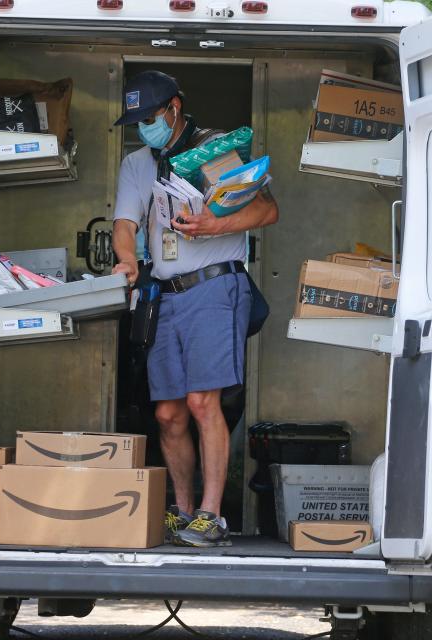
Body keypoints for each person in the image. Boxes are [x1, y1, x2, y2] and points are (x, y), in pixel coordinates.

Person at [111, 70, 279, 547]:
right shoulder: (137, 164)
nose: (146, 126)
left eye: (151, 117)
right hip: (165, 294)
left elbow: (267, 211)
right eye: (138, 120)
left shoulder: (213, 150)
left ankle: (211, 514)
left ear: (175, 108)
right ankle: (182, 512)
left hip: (213, 288)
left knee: (204, 402)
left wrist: (211, 225)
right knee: (167, 413)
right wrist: (126, 260)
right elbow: (124, 223)